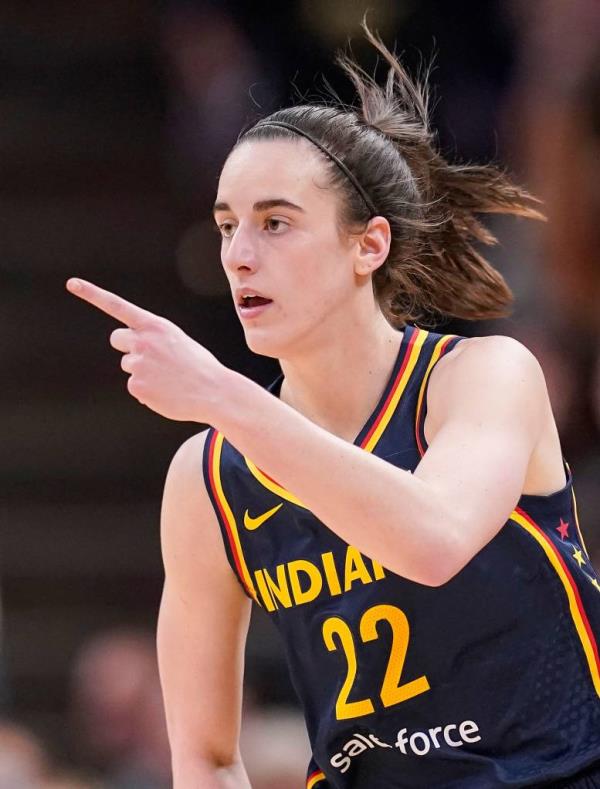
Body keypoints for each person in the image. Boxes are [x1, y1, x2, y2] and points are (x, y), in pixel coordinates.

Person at [66, 24, 600, 789]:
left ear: (369, 245)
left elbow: (433, 538)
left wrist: (223, 394)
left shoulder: (481, 377)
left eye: (275, 222)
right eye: (226, 226)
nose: (239, 253)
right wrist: (232, 411)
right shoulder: (211, 479)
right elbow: (207, 759)